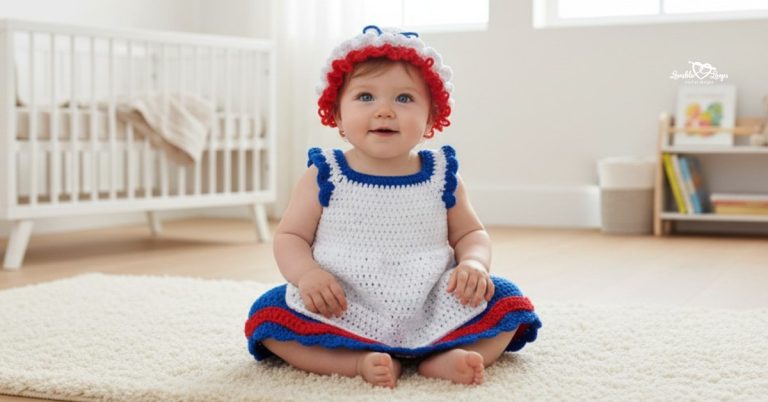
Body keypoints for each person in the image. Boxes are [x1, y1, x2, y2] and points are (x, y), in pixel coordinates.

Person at [245, 25, 541, 388]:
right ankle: (356, 361)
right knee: (269, 315)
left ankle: (440, 357)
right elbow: (290, 236)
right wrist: (308, 275)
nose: (384, 111)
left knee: (507, 301)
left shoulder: (441, 174)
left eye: (404, 99)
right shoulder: (324, 173)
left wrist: (474, 264)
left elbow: (470, 232)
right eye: (366, 97)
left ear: (432, 117)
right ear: (336, 115)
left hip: (431, 300)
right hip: (345, 302)